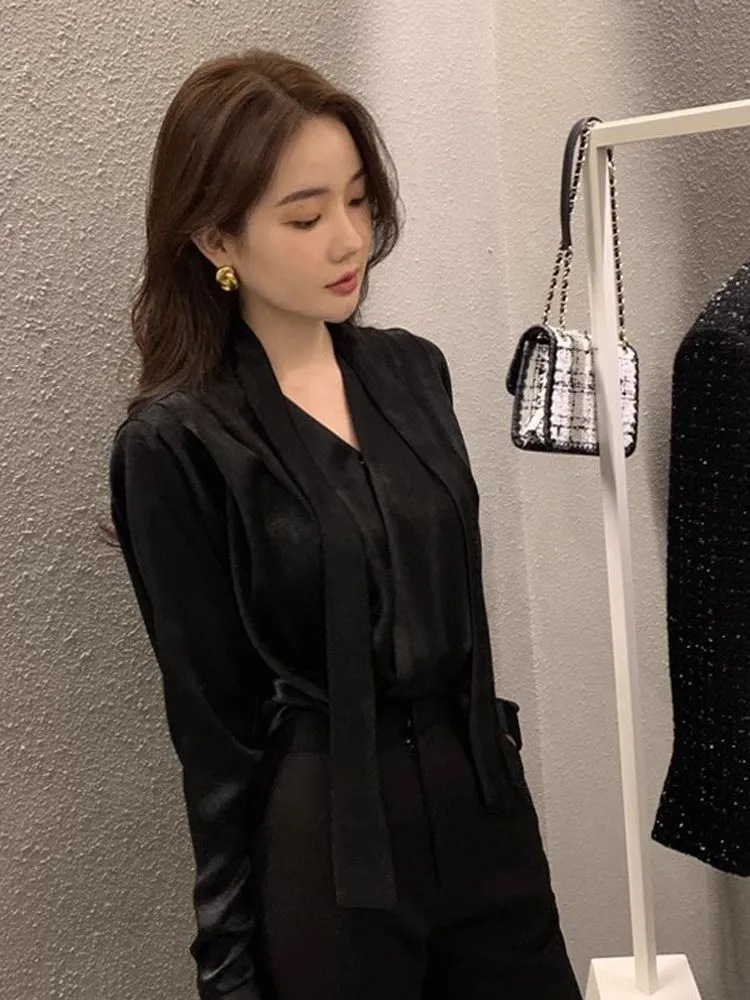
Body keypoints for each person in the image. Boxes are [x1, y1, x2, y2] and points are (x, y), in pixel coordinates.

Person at [105, 47, 582, 1000]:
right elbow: (212, 728)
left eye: (358, 201)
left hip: (483, 814)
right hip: (329, 852)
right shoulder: (178, 442)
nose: (349, 239)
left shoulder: (413, 372)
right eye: (306, 216)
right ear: (215, 240)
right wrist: (228, 963)